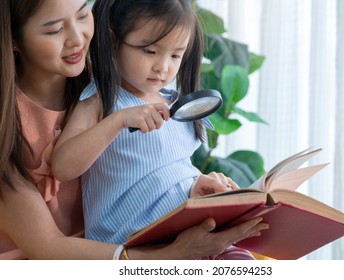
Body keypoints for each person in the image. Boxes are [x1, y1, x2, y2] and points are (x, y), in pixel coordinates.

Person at [0, 0, 267, 260]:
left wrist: (194, 183)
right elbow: (46, 247)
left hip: (143, 244)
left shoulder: (121, 85)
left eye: (83, 15)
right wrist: (166, 256)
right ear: (12, 37)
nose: (77, 39)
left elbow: (151, 164)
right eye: (55, 29)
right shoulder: (99, 102)